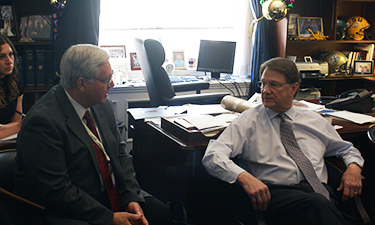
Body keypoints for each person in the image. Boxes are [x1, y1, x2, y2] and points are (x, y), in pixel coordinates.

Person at [14, 44, 171, 225]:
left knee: (160, 214)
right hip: (70, 206)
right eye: (106, 79)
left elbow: (120, 154)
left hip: (110, 191)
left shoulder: (101, 103)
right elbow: (56, 190)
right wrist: (109, 218)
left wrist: (131, 197)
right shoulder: (43, 122)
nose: (111, 84)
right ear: (81, 84)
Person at [202, 57, 364, 225]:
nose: (265, 91)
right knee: (318, 205)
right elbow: (213, 155)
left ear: (293, 89)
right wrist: (243, 176)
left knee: (321, 203)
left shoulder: (313, 120)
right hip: (274, 195)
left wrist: (353, 168)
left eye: (274, 85)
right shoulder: (248, 121)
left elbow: (346, 150)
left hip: (319, 191)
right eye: (263, 84)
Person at [0, 33, 23, 140]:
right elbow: (18, 125)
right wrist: (19, 127)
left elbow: (16, 121)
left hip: (9, 139)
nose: (9, 61)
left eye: (11, 54)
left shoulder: (16, 81)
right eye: (2, 56)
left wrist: (4, 128)